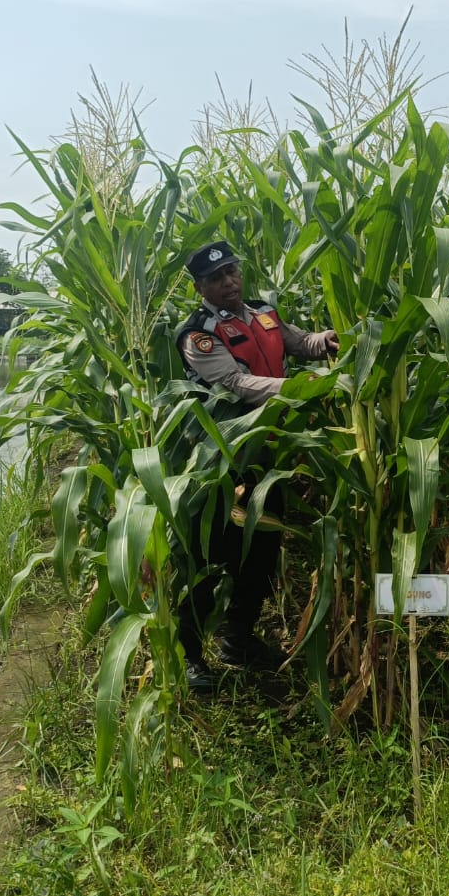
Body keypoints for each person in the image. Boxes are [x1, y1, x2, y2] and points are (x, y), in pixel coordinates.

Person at [174, 239, 340, 692]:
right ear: (199, 287)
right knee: (209, 556)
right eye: (215, 278)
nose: (227, 282)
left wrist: (325, 341)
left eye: (231, 272)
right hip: (224, 460)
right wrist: (301, 390)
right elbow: (236, 383)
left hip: (270, 456)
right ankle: (190, 657)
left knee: (261, 553)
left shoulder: (263, 313)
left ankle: (237, 642)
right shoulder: (199, 334)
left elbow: (298, 343)